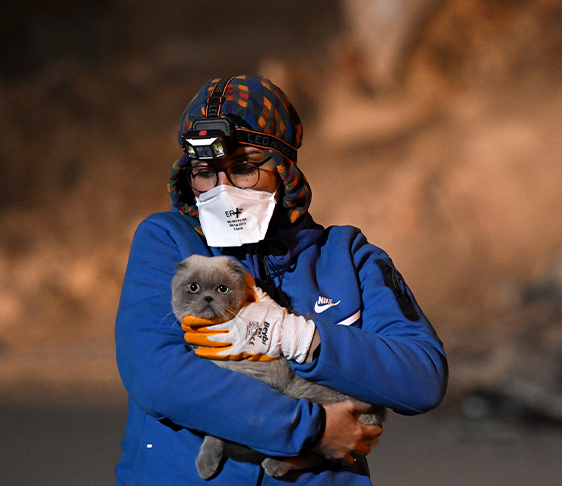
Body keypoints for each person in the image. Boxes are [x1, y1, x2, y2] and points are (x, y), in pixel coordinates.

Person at [115, 75, 448, 485]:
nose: (222, 190)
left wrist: (299, 337)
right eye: (204, 173)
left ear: (285, 171)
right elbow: (156, 372)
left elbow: (422, 377)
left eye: (243, 169)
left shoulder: (347, 257)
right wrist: (312, 429)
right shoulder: (168, 241)